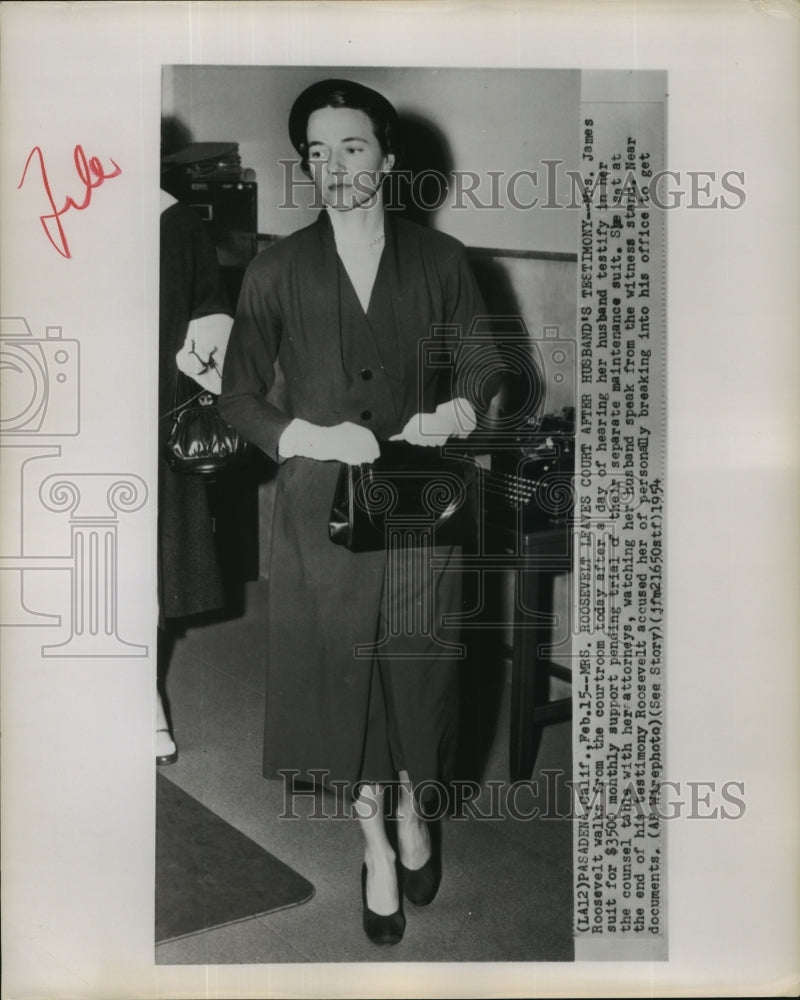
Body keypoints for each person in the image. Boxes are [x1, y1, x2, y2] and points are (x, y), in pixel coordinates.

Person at [219, 79, 503, 946]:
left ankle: (416, 810)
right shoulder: (275, 271)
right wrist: (306, 432)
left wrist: (458, 409)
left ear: (387, 158)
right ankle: (375, 844)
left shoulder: (442, 259)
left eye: (352, 147)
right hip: (320, 509)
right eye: (318, 152)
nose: (335, 167)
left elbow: (484, 364)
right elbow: (239, 396)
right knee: (343, 681)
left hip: (421, 502)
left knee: (418, 671)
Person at [157, 182, 233, 764]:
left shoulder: (175, 222)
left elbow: (211, 318)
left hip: (151, 415)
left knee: (148, 563)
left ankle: (143, 693)